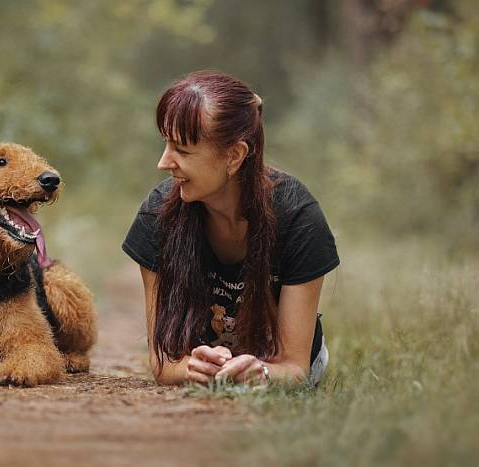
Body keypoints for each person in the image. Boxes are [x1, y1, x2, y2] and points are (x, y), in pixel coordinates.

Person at [122, 71, 339, 387]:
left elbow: (295, 367)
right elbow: (165, 364)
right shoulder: (158, 216)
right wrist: (191, 369)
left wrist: (259, 373)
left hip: (278, 363)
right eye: (166, 144)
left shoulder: (297, 217)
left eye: (181, 149)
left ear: (234, 156)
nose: (164, 162)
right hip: (205, 362)